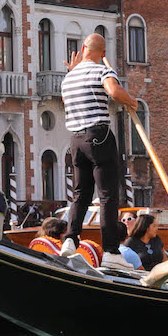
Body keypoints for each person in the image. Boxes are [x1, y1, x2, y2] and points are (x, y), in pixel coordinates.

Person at [60, 33, 140, 267]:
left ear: (83, 48)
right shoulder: (102, 70)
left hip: (75, 140)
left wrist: (73, 72)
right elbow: (114, 92)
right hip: (99, 135)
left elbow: (67, 103)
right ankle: (112, 252)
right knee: (107, 196)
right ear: (103, 53)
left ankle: (70, 240)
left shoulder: (69, 78)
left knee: (80, 194)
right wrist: (132, 101)